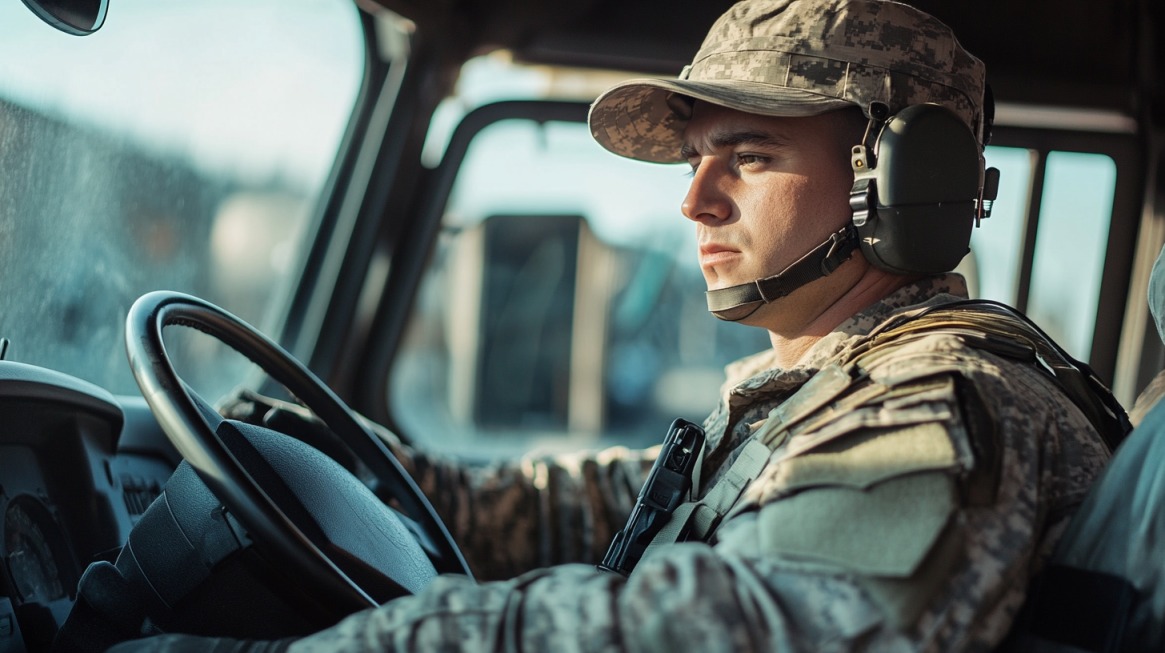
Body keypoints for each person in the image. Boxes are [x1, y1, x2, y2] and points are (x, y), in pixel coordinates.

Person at [111, 0, 1115, 650]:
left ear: (898, 184)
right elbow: (611, 505)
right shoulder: (823, 393)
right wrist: (368, 463)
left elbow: (737, 629)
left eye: (750, 155)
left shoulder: (941, 398)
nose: (696, 201)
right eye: (694, 159)